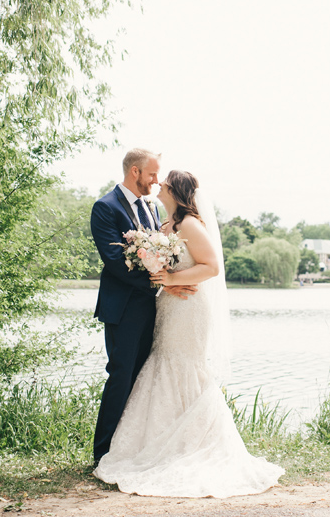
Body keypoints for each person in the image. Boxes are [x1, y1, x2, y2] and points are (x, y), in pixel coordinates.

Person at [93, 170, 284, 498]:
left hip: (188, 307)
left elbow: (211, 267)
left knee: (183, 367)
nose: (158, 185)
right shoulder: (165, 225)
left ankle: (197, 442)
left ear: (175, 191)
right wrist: (161, 277)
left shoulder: (189, 224)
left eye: (164, 183)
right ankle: (158, 443)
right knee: (162, 365)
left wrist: (167, 280)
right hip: (169, 306)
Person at [90, 149, 196, 465]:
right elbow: (115, 261)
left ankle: (130, 448)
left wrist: (173, 280)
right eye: (152, 174)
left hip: (152, 309)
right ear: (135, 172)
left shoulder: (150, 208)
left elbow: (160, 254)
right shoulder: (105, 208)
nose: (156, 180)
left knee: (141, 379)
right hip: (122, 309)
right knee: (121, 375)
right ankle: (103, 453)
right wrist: (165, 283)